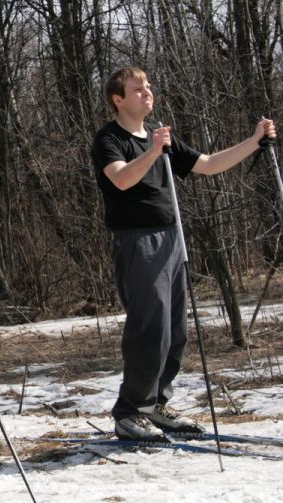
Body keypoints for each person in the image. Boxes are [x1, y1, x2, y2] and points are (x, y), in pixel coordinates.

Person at [92, 67, 276, 440]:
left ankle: (155, 404)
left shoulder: (159, 136)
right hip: (137, 241)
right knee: (150, 327)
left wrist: (254, 141)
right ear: (118, 99)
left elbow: (209, 165)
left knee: (175, 329)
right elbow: (122, 178)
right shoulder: (110, 139)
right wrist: (153, 151)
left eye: (148, 87)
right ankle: (130, 412)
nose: (147, 92)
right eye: (137, 89)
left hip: (171, 237)